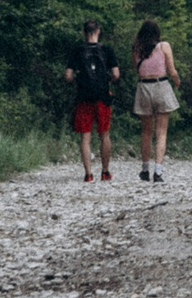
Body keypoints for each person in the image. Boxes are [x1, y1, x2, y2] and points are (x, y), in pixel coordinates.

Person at [63, 17, 121, 182]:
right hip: (102, 96)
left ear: (84, 32)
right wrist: (107, 79)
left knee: (85, 137)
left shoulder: (77, 51)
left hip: (84, 97)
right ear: (98, 31)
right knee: (104, 134)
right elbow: (116, 74)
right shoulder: (107, 50)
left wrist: (78, 79)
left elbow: (67, 75)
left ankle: (88, 174)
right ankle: (105, 171)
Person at [131, 17, 180, 182]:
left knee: (146, 132)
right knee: (161, 132)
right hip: (160, 85)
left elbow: (137, 70)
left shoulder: (137, 49)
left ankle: (144, 170)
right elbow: (172, 71)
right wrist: (177, 81)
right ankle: (158, 172)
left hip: (143, 87)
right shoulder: (164, 46)